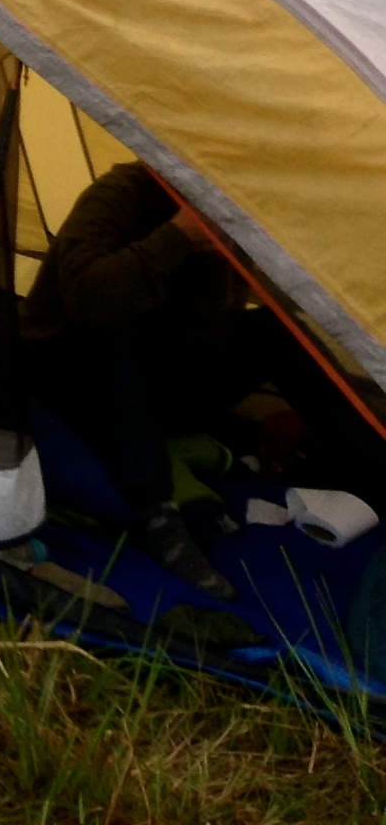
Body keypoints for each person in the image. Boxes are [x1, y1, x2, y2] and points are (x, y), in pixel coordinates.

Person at [21, 161, 386, 601]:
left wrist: (214, 264)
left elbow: (203, 341)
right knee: (121, 323)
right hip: (72, 380)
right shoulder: (121, 193)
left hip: (151, 390)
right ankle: (160, 520)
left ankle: (377, 464)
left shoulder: (231, 217)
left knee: (273, 330)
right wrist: (177, 236)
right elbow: (89, 300)